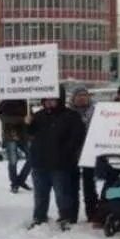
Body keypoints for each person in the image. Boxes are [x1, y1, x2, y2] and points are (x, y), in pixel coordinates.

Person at [27, 91, 86, 229]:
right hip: (39, 162)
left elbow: (77, 137)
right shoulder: (38, 115)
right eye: (46, 98)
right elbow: (29, 134)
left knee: (62, 194)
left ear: (60, 99)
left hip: (61, 163)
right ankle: (39, 217)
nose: (49, 101)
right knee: (40, 194)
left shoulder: (71, 116)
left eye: (52, 98)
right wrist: (27, 124)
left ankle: (66, 217)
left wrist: (66, 153)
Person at [70, 87, 100, 224]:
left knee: (89, 185)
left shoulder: (98, 111)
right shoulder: (68, 113)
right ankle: (71, 213)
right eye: (79, 95)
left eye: (84, 95)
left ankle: (92, 212)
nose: (82, 98)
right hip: (71, 153)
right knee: (71, 185)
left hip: (90, 153)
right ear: (74, 98)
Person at [0, 97, 32, 192]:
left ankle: (20, 180)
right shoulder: (5, 102)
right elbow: (4, 118)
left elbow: (31, 117)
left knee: (33, 157)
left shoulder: (25, 101)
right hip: (10, 135)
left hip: (24, 135)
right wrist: (23, 119)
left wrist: (30, 119)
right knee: (13, 160)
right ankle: (14, 183)